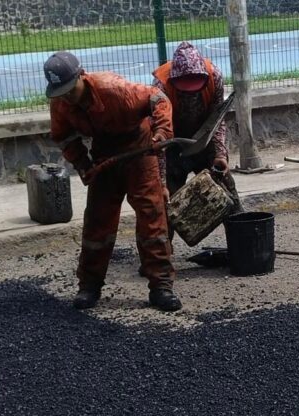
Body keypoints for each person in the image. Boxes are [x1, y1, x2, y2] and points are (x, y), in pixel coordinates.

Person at [44, 51, 182, 311]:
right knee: (98, 221)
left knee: (152, 218)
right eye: (60, 92)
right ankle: (89, 286)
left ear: (82, 76)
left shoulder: (116, 89)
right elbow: (63, 137)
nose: (66, 96)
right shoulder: (60, 103)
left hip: (138, 149)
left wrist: (162, 131)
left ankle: (161, 287)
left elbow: (159, 98)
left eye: (69, 89)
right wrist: (83, 164)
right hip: (104, 154)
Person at [152, 41, 244, 239]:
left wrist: (220, 154)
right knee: (165, 203)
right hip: (172, 146)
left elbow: (217, 118)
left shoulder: (214, 76)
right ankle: (161, 260)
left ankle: (242, 242)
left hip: (204, 139)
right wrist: (161, 181)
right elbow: (158, 136)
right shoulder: (161, 86)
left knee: (227, 188)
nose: (190, 93)